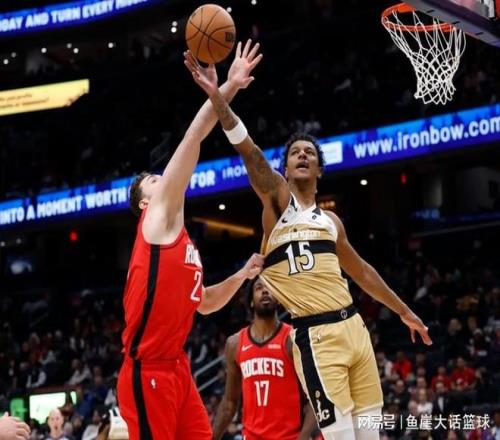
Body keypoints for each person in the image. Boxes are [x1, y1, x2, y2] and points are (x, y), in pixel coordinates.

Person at [185, 42, 432, 440]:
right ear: (284, 168)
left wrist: (404, 312)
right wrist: (219, 96)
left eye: (309, 153)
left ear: (319, 170)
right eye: (295, 153)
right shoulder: (276, 204)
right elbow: (249, 153)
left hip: (355, 329)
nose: (302, 155)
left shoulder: (331, 221)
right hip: (316, 337)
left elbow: (363, 273)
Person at [117, 42, 264, 440]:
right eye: (154, 179)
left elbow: (206, 303)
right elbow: (193, 138)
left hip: (177, 367)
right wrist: (225, 89)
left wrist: (242, 275)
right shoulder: (155, 220)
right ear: (144, 202)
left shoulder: (183, 242)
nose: (162, 178)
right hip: (146, 371)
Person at [212, 277, 317, 440]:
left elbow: (314, 397)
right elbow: (229, 402)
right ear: (251, 301)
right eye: (259, 288)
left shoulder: (293, 340)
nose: (265, 291)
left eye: (270, 287)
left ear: (279, 298)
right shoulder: (235, 344)